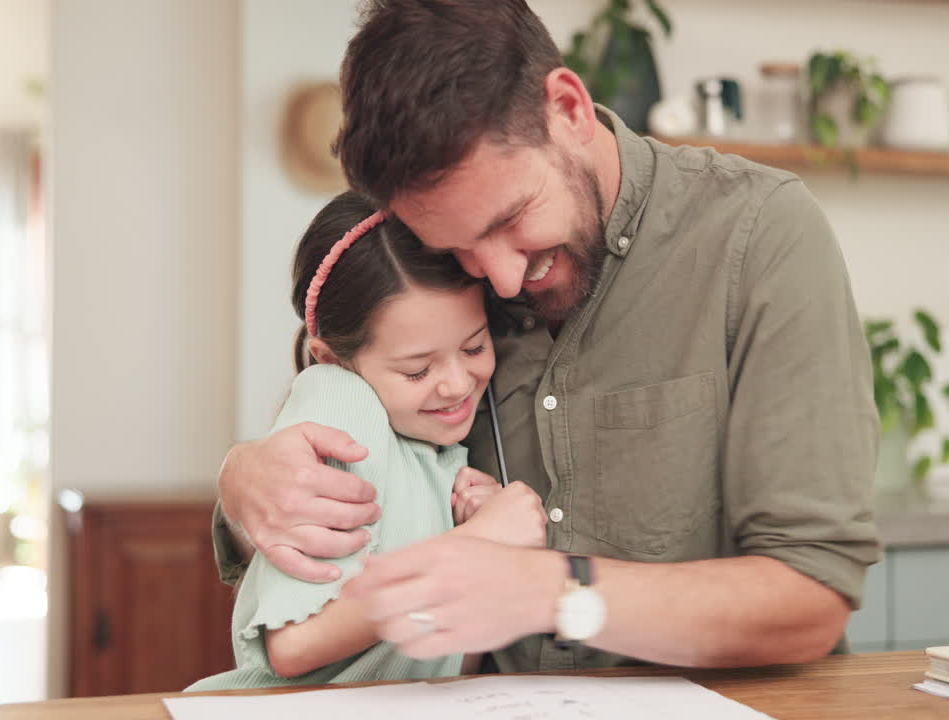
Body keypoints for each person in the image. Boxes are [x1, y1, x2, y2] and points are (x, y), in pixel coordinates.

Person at [215, 0, 880, 672]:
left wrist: (555, 593)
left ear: (568, 109)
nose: (502, 280)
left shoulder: (759, 235)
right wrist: (243, 488)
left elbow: (811, 595)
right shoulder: (437, 272)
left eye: (512, 220)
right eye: (459, 250)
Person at [188, 192, 547, 691]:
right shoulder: (340, 402)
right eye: (417, 370)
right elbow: (294, 645)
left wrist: (479, 536)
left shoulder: (433, 448)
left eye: (474, 347)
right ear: (333, 360)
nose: (456, 384)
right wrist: (475, 542)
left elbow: (437, 664)